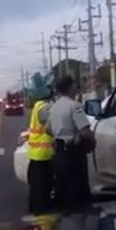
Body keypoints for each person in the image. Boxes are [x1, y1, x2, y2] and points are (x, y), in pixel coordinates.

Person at [46, 76, 96, 209]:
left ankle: (65, 222)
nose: (76, 87)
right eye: (75, 84)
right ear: (70, 87)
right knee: (78, 191)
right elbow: (85, 132)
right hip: (73, 154)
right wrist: (91, 143)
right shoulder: (74, 106)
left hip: (59, 153)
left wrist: (60, 135)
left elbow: (47, 129)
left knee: (62, 190)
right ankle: (79, 223)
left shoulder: (54, 107)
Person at [27, 87, 55, 214]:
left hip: (36, 155)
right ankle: (43, 218)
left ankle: (36, 214)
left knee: (36, 190)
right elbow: (52, 126)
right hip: (44, 156)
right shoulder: (44, 108)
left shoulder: (37, 106)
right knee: (43, 191)